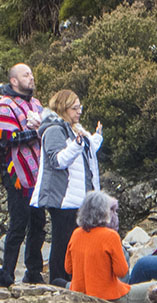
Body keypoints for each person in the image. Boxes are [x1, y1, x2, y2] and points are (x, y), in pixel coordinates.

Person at [0, 63, 46, 284]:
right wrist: (35, 133)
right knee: (18, 224)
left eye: (31, 74)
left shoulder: (36, 104)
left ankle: (33, 271)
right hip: (16, 173)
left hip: (37, 174)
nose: (31, 77)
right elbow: (5, 138)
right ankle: (7, 272)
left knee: (38, 223)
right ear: (14, 81)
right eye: (26, 75)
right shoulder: (4, 106)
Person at [30, 89, 103, 282]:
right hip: (62, 198)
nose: (79, 112)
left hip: (77, 197)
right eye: (75, 108)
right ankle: (58, 281)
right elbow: (58, 160)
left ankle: (71, 280)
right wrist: (77, 145)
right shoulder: (54, 130)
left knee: (74, 242)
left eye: (80, 107)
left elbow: (85, 151)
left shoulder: (75, 129)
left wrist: (96, 138)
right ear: (63, 108)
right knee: (62, 243)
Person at [61, 191, 155, 303]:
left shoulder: (76, 234)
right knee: (156, 286)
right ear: (104, 211)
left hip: (79, 295)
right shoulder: (110, 236)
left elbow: (68, 269)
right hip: (109, 297)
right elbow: (121, 272)